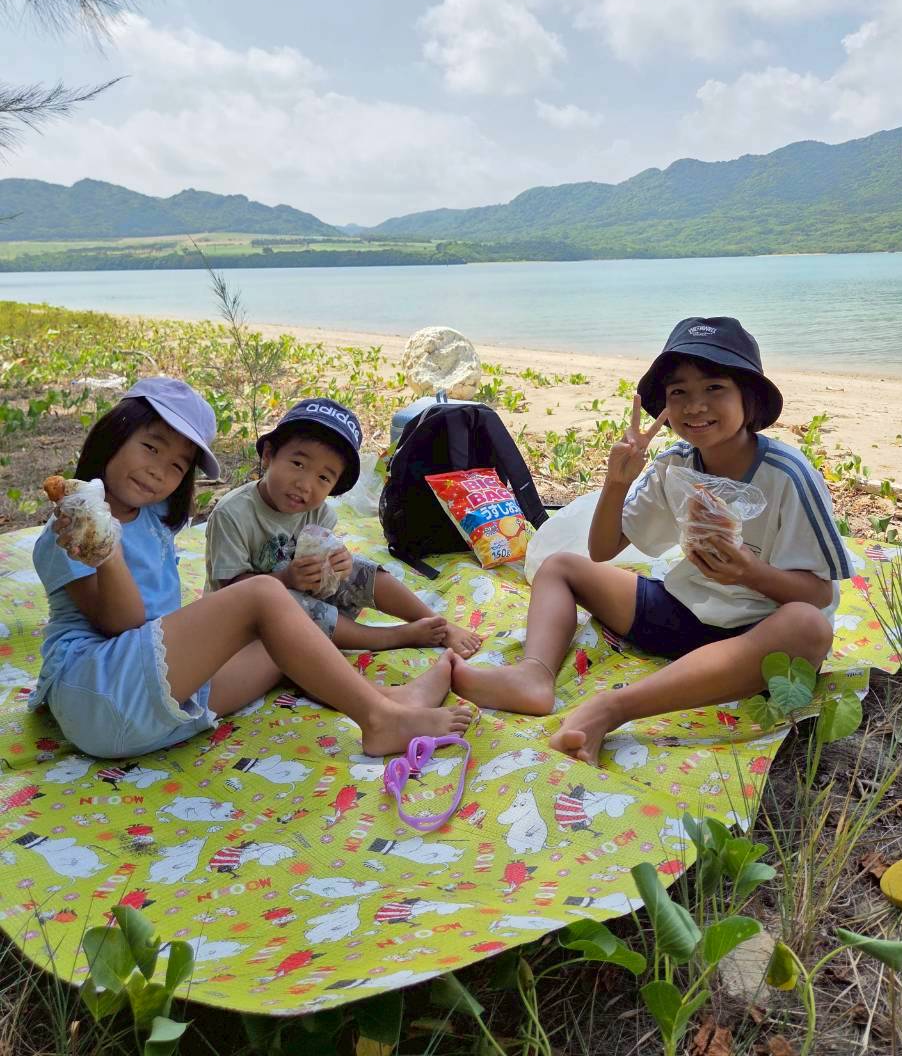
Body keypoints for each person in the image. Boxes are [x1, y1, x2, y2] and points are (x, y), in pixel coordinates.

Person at [451, 317, 851, 764]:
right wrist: (616, 482)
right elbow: (603, 550)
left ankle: (613, 707)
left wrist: (748, 572)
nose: (695, 406)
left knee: (808, 627)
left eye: (714, 388)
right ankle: (534, 675)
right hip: (681, 615)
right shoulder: (674, 464)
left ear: (748, 397)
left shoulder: (789, 476)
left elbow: (818, 594)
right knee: (561, 566)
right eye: (679, 392)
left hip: (754, 637)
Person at [30, 377, 471, 761]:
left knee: (284, 640)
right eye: (150, 447)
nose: (157, 472)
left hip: (155, 701)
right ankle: (378, 720)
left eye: (177, 466)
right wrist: (108, 552)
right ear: (112, 436)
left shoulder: (148, 515)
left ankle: (390, 700)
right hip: (100, 692)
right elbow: (120, 624)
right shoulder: (73, 525)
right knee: (263, 594)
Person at [204, 398, 480, 657]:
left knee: (359, 567)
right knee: (292, 602)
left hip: (304, 594)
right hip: (241, 623)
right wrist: (287, 580)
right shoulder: (232, 513)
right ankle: (389, 638)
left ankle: (434, 622)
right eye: (298, 463)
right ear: (268, 456)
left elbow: (324, 574)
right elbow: (232, 593)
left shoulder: (319, 512)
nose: (305, 484)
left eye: (323, 477)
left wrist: (337, 567)